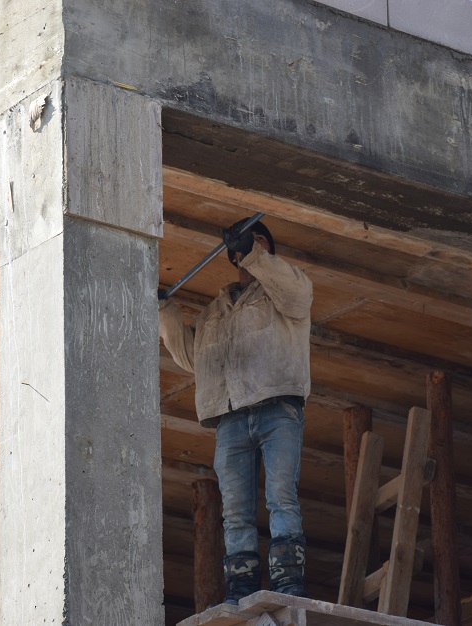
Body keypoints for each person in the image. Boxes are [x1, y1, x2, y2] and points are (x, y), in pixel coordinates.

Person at [159, 217, 313, 605]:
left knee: (281, 496)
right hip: (230, 418)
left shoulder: (287, 292)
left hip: (277, 406)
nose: (249, 250)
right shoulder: (216, 311)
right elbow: (192, 356)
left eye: (258, 242)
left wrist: (256, 254)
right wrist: (163, 309)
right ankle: (241, 585)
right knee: (236, 510)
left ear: (268, 251)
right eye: (245, 245)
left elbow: (295, 295)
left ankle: (287, 582)